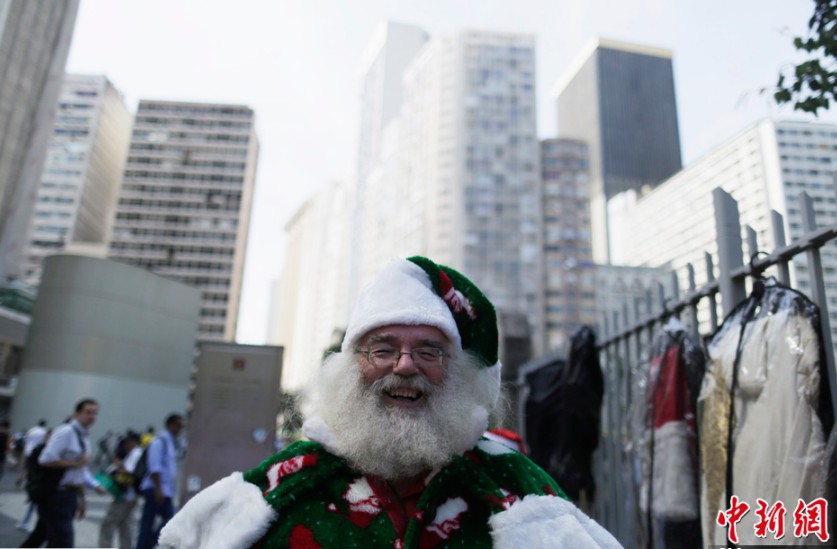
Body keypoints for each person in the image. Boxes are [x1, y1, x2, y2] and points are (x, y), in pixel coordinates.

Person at [158, 256, 621, 548]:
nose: (404, 366)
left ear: (458, 375)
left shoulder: (516, 489)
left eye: (428, 351)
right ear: (349, 366)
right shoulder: (281, 489)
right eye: (382, 349)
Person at [23, 399, 97, 548]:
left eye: (95, 413)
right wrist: (76, 463)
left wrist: (83, 498)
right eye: (88, 412)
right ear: (77, 414)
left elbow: (79, 472)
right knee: (63, 543)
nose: (92, 416)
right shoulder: (66, 431)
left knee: (42, 537)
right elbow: (45, 459)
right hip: (56, 495)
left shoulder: (83, 436)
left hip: (68, 496)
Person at [135, 414, 183, 549]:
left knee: (168, 521)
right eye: (177, 426)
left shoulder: (171, 442)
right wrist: (158, 489)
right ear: (169, 425)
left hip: (165, 490)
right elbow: (154, 467)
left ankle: (147, 544)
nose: (180, 429)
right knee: (148, 523)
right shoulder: (159, 441)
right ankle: (145, 545)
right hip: (155, 489)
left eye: (181, 427)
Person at [99, 432, 143, 549]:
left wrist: (118, 467)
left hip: (125, 495)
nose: (126, 445)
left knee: (108, 523)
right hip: (132, 496)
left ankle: (105, 546)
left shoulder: (136, 453)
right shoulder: (138, 453)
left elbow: (129, 473)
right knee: (126, 527)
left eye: (128, 442)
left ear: (134, 442)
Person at [16, 419, 49, 531]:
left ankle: (21, 479)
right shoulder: (44, 433)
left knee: (27, 469)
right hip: (37, 459)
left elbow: (26, 440)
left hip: (29, 453)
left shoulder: (31, 430)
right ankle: (27, 522)